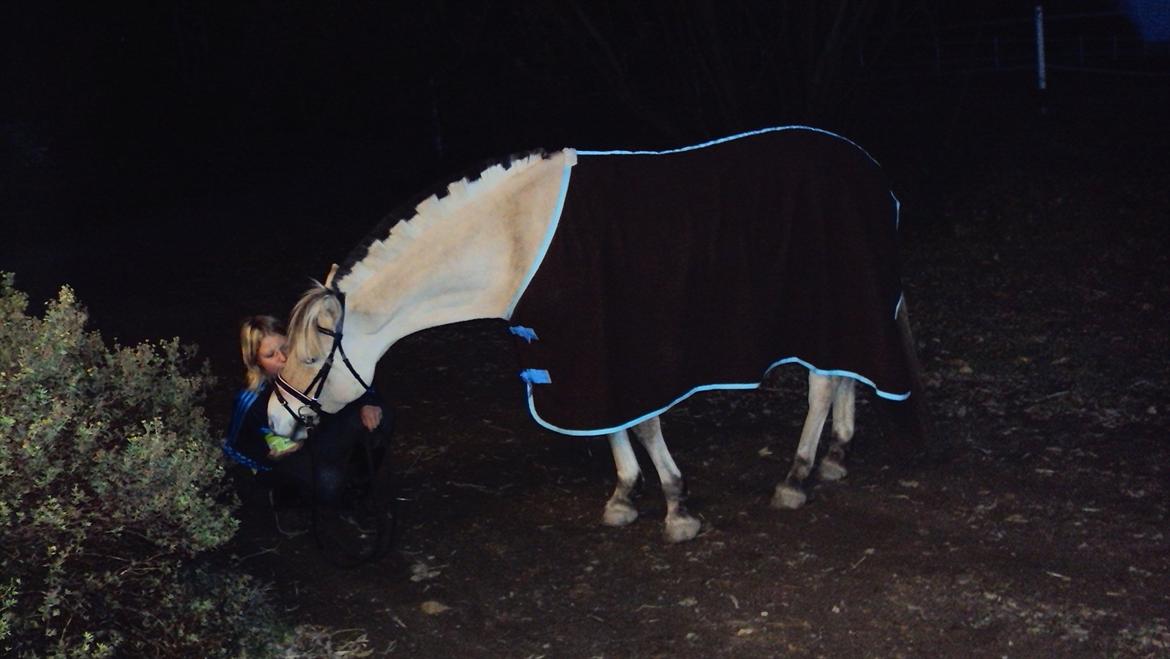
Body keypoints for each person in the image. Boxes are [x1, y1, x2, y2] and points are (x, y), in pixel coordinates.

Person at [222, 315, 391, 533]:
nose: (282, 358)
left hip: (319, 435)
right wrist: (267, 452)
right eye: (270, 355)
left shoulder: (313, 366)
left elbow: (352, 381)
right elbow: (235, 446)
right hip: (285, 458)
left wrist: (368, 401)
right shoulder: (251, 398)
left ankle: (354, 496)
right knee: (329, 481)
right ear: (256, 361)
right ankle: (288, 500)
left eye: (285, 347)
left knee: (381, 419)